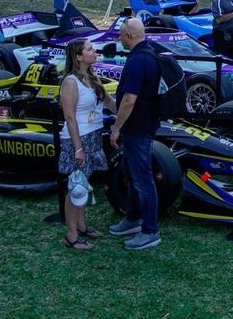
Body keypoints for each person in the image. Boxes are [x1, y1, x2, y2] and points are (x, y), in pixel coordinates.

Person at [108, 18, 162, 250]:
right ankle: (133, 219)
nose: (119, 37)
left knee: (142, 178)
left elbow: (129, 100)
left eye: (121, 33)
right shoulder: (149, 54)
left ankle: (150, 231)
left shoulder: (138, 60)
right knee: (130, 172)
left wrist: (116, 127)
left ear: (129, 35)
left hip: (137, 127)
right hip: (143, 124)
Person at [58, 39, 116, 250]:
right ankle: (71, 235)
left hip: (93, 135)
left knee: (84, 183)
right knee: (76, 187)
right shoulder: (70, 82)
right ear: (78, 57)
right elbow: (70, 117)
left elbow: (110, 103)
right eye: (90, 49)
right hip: (78, 138)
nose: (95, 51)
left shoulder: (92, 78)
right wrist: (78, 148)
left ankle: (82, 225)